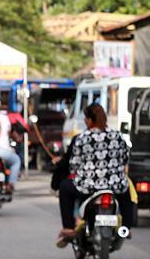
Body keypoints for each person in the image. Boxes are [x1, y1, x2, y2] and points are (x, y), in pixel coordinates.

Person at [55, 102, 133, 247]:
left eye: (86, 118)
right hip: (115, 185)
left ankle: (68, 227)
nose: (85, 121)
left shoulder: (82, 138)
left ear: (90, 120)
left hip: (87, 186)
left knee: (65, 188)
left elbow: (74, 164)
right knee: (127, 193)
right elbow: (125, 159)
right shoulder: (117, 136)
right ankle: (126, 227)